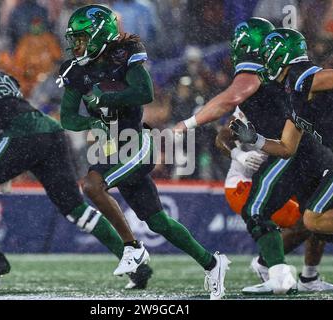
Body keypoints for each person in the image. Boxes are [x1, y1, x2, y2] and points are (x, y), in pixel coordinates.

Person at [0, 42, 150, 287]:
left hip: (20, 134)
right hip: (50, 131)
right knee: (75, 209)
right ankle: (135, 266)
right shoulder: (4, 78)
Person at [57, 4, 230, 299]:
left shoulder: (125, 53)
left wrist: (108, 98)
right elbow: (68, 117)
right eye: (76, 39)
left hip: (137, 142)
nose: (78, 45)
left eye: (83, 38)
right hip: (109, 148)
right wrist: (93, 119)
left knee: (92, 186)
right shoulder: (76, 71)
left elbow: (144, 92)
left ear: (100, 35)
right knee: (157, 222)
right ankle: (213, 264)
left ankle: (133, 249)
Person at [174, 18, 333, 294]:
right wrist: (241, 150)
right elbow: (240, 128)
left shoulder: (264, 74)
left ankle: (280, 275)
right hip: (307, 149)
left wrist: (186, 124)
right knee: (315, 221)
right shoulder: (284, 80)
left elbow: (231, 98)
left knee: (256, 209)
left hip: (302, 152)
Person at [230, 27, 333, 258]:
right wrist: (255, 140)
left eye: (266, 55)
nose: (263, 61)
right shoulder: (293, 93)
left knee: (314, 217)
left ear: (279, 55)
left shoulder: (301, 77)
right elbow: (286, 148)